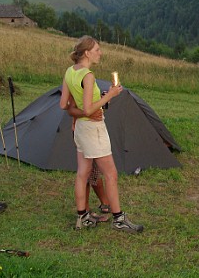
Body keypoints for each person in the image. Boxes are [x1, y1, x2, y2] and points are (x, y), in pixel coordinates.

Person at [59, 36, 144, 233]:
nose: (100, 53)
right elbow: (89, 109)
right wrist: (111, 95)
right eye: (97, 49)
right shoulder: (88, 76)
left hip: (80, 128)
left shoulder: (70, 71)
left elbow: (64, 104)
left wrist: (99, 101)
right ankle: (119, 219)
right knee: (111, 174)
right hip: (93, 130)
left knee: (83, 173)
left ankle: (83, 217)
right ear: (87, 53)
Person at [63, 92, 110, 222]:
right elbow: (70, 107)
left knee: (90, 172)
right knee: (87, 173)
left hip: (83, 128)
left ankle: (93, 208)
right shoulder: (82, 83)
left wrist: (101, 101)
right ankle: (86, 212)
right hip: (86, 129)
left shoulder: (78, 83)